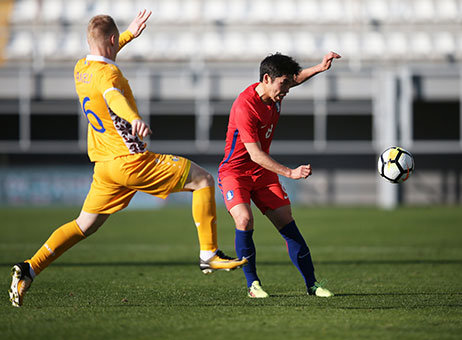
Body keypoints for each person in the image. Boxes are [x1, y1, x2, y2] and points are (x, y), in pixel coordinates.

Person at [9, 10, 246, 307]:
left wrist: (128, 34)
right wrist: (134, 118)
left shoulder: (81, 67)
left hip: (105, 167)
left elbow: (104, 55)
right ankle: (209, 254)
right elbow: (112, 96)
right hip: (130, 161)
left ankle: (30, 268)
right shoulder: (110, 75)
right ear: (111, 39)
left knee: (84, 225)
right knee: (203, 179)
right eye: (116, 40)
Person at [218, 51, 341, 298]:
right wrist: (290, 173)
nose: (287, 88)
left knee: (287, 222)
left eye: (288, 83)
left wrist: (319, 67)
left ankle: (312, 285)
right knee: (244, 220)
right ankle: (253, 285)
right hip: (236, 171)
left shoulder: (274, 93)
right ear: (266, 78)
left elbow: (296, 78)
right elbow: (254, 154)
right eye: (283, 84)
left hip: (262, 173)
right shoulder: (245, 106)